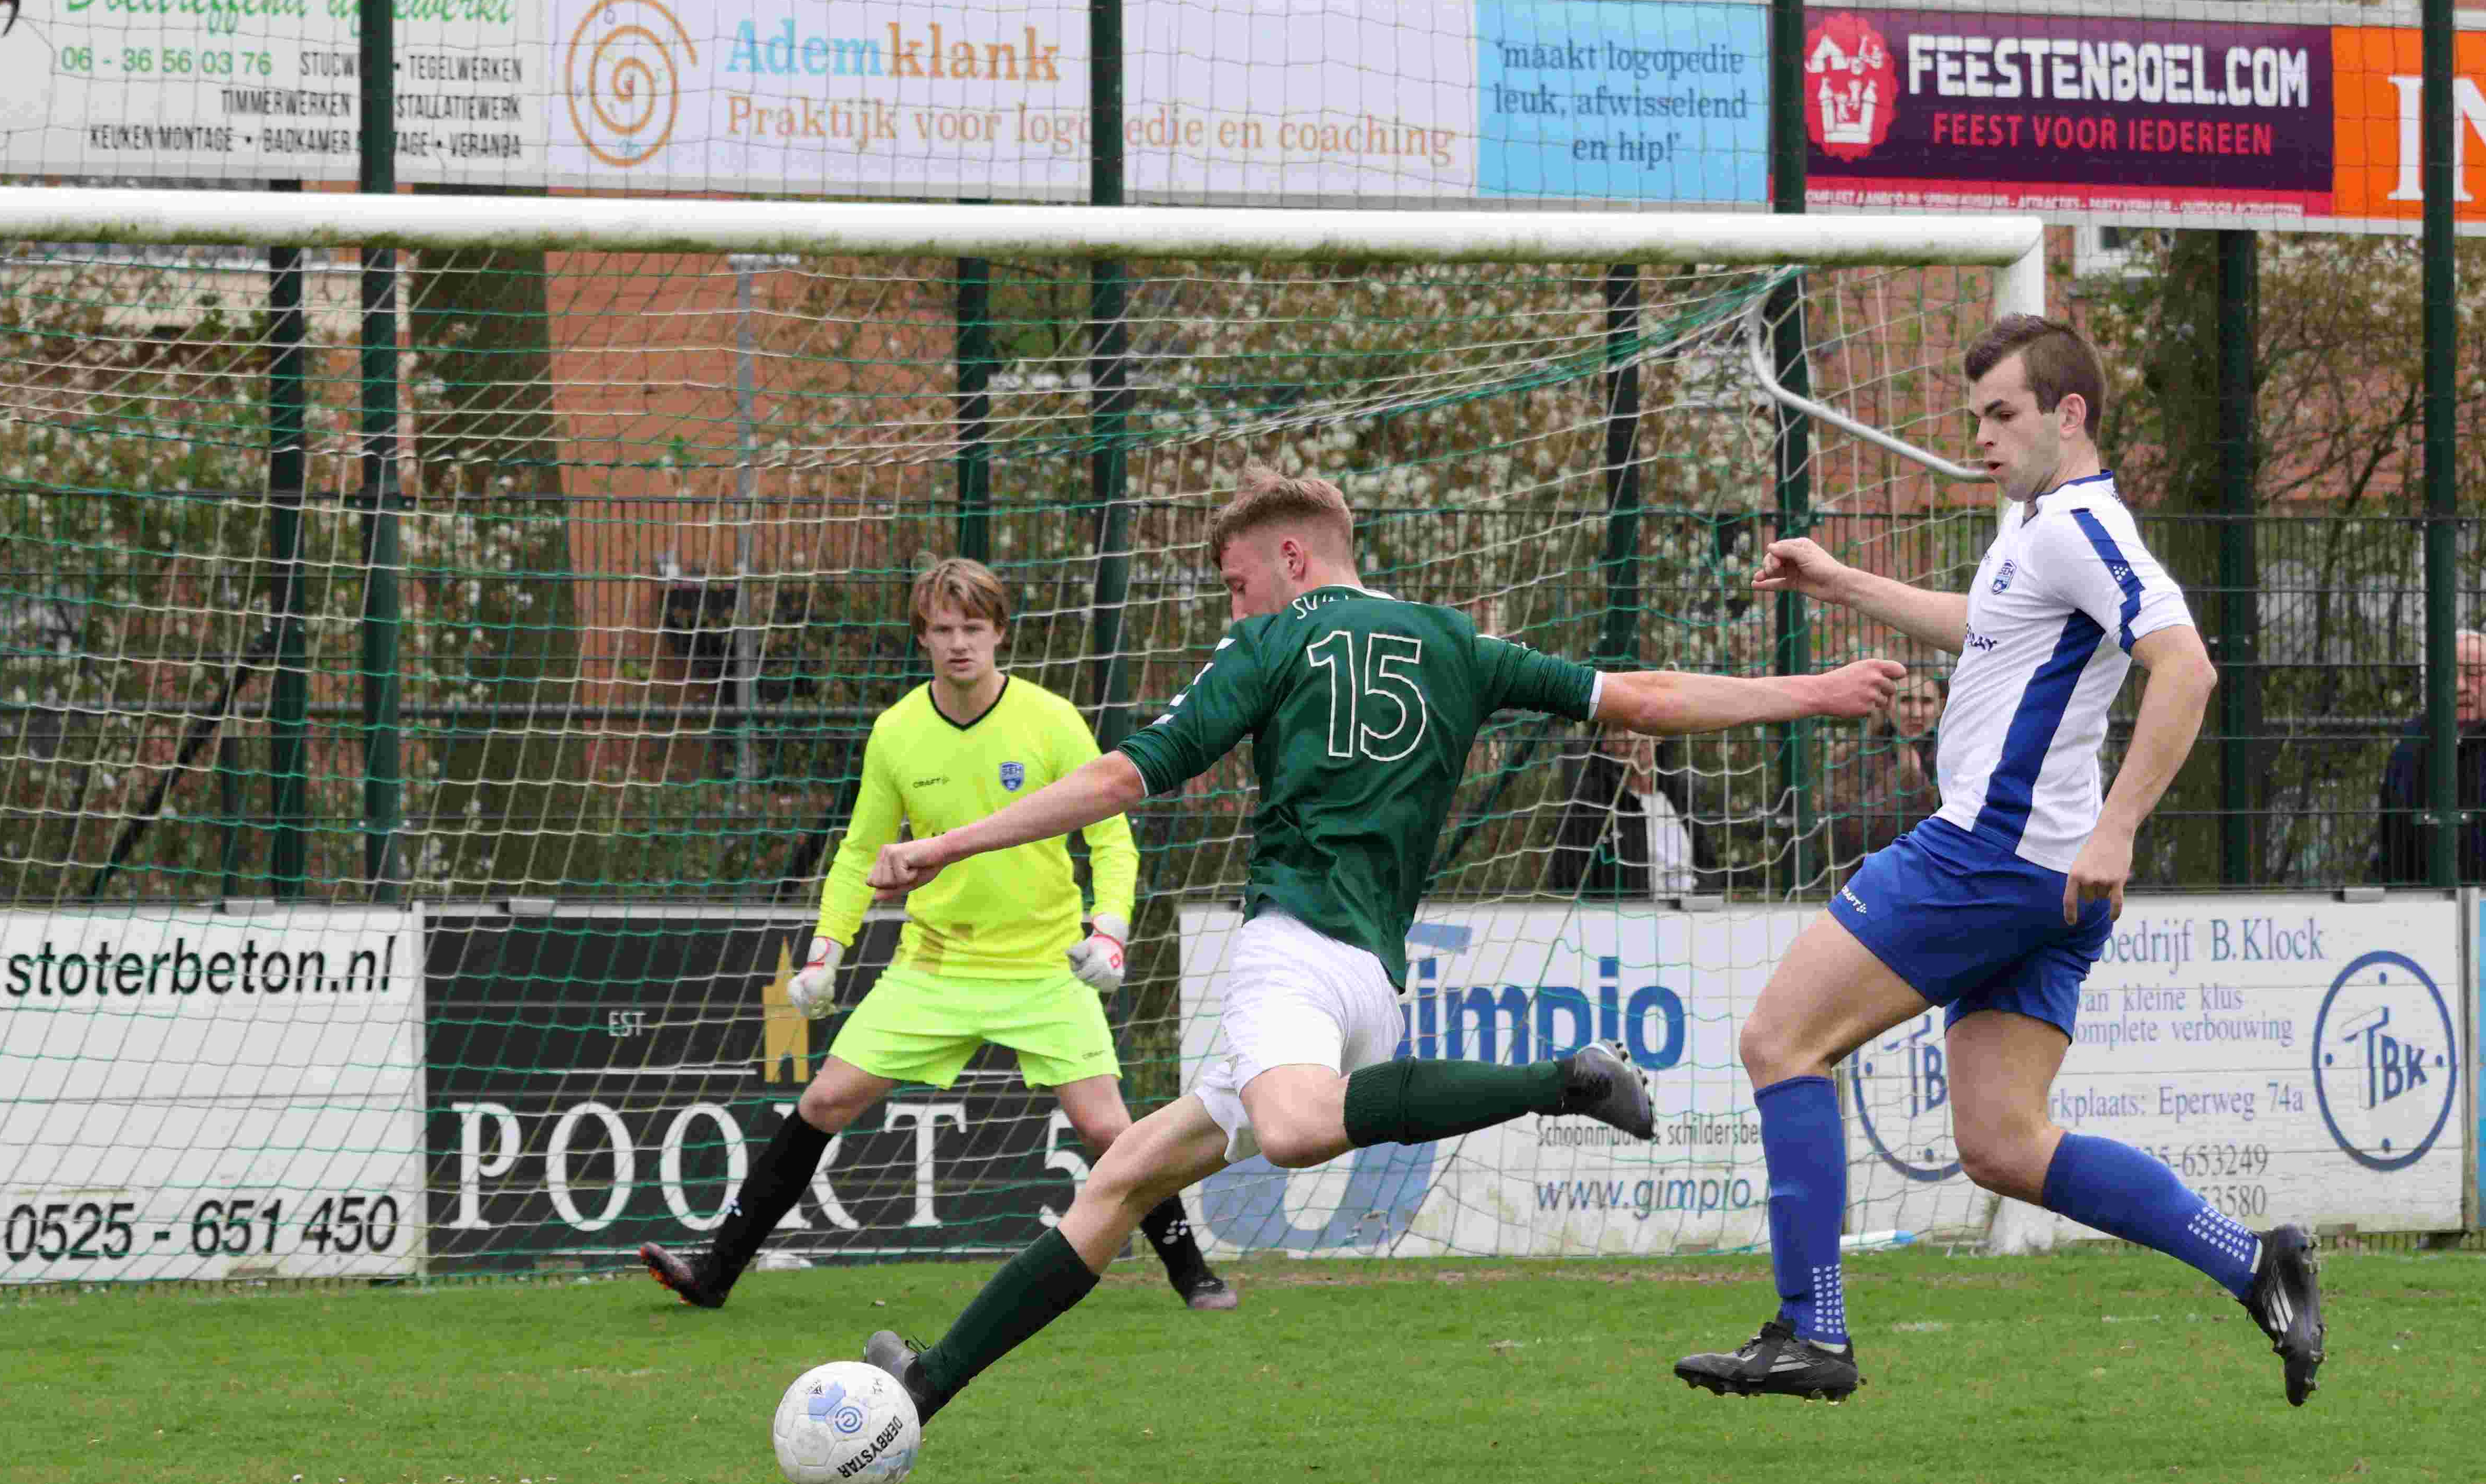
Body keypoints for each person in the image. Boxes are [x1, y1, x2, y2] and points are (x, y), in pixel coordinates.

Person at [848, 466, 1905, 1425]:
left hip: (1292, 951)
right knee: (1119, 1178)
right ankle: (924, 1381)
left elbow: (1125, 776)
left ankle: (1559, 1079)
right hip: (1367, 983)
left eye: (1234, 581)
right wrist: (1810, 692)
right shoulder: (1456, 642)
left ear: (1291, 559)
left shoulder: (1272, 639)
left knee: (1297, 1128)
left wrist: (948, 841)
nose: (1234, 605)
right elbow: (1644, 697)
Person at [1672, 312, 2323, 1408]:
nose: (1978, 435)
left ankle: (1808, 1329)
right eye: (1973, 414)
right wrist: (1843, 584)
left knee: (1779, 1037)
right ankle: (2254, 1261)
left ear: (2066, 415)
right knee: (2003, 1142)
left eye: (2001, 413)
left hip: (1989, 856)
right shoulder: (2035, 528)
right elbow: (1983, 623)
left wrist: (2118, 826)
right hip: (2044, 880)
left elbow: (2185, 668)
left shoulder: (2080, 525)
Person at [637, 557, 1236, 1315]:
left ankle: (1193, 1273)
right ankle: (714, 1273)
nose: (959, 644)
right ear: (923, 637)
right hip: (934, 966)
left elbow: (1111, 840)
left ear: (1000, 633)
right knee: (824, 1099)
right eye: (943, 629)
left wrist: (1110, 929)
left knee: (1106, 1126)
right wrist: (827, 951)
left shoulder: (1051, 719)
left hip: (1043, 966)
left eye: (974, 629)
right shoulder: (896, 732)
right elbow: (859, 852)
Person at [1548, 726, 1720, 901]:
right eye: (1619, 730)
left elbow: (1709, 868)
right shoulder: (1590, 804)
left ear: (1659, 737)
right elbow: (1567, 880)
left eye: (1639, 727)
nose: (1631, 737)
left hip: (1688, 919)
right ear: (1604, 743)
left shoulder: (1681, 797)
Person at [2373, 629, 2486, 886]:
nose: (2459, 686)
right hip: (2422, 904)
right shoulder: (2409, 746)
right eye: (2447, 675)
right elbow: (2392, 842)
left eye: (2473, 673)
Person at [1821, 665, 1945, 868]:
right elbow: (1846, 838)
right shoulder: (1850, 756)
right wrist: (1905, 776)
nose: (1916, 713)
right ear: (1886, 705)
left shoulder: (1955, 755)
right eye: (1906, 701)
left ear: (1941, 707)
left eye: (1926, 702)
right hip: (1869, 876)